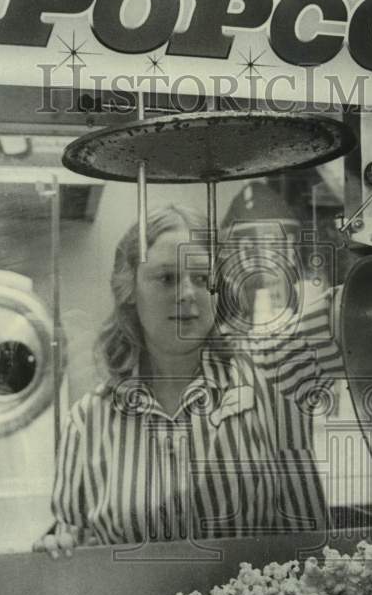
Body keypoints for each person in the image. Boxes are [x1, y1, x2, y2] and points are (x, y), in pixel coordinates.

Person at [35, 204, 344, 556]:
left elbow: (356, 312)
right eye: (167, 278)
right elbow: (73, 543)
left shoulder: (271, 370)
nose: (186, 294)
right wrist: (57, 544)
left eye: (202, 279)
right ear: (129, 290)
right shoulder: (86, 423)